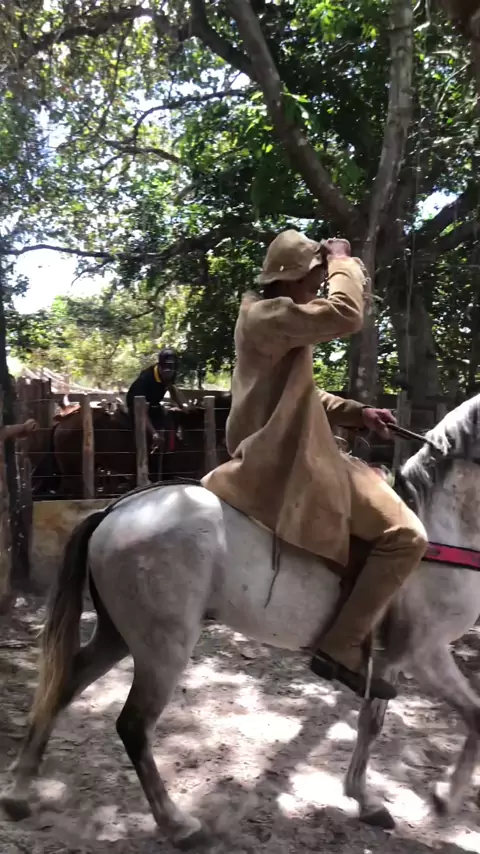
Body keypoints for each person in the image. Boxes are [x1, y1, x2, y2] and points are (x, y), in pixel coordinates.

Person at [202, 230, 427, 701]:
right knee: (407, 536)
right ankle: (341, 645)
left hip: (294, 450)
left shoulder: (268, 320)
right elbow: (347, 314)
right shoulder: (269, 316)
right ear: (292, 277)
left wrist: (358, 413)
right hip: (284, 461)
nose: (319, 286)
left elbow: (303, 393)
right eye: (316, 278)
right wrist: (343, 260)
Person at [126, 349, 188, 450]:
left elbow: (171, 387)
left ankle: (170, 451)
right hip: (137, 407)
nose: (169, 372)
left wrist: (182, 406)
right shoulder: (145, 380)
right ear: (160, 366)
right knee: (148, 435)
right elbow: (142, 412)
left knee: (168, 426)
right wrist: (153, 433)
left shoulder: (170, 374)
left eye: (172, 368)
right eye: (166, 368)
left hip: (154, 404)